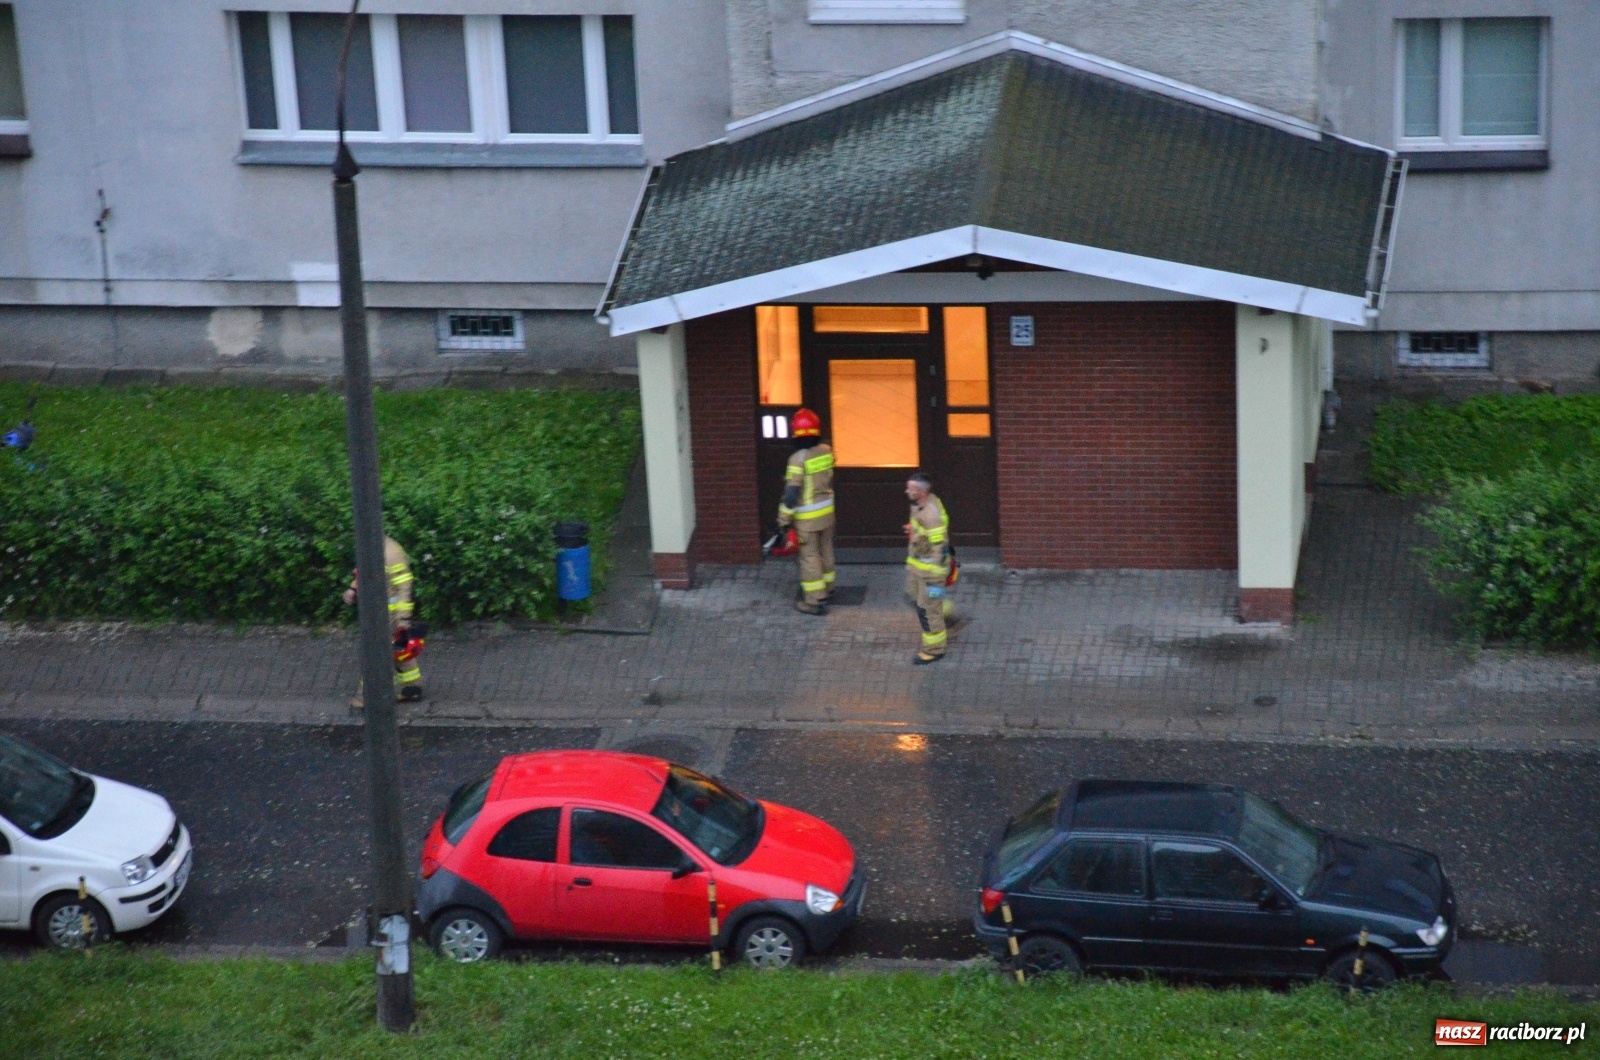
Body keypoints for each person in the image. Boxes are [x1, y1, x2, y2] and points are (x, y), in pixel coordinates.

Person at [342, 535, 423, 705]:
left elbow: (404, 586)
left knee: (375, 652)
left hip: (387, 616)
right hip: (378, 612)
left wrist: (403, 617)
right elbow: (364, 573)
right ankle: (412, 687)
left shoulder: (390, 553)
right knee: (398, 650)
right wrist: (353, 589)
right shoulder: (371, 546)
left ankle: (366, 695)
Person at [777, 407, 836, 616]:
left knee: (809, 557)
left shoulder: (797, 458)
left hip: (807, 519)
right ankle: (828, 588)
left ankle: (814, 600)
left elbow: (792, 494)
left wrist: (783, 520)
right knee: (826, 550)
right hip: (827, 513)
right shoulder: (826, 450)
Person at [904, 473, 953, 664]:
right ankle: (949, 619)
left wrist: (935, 578)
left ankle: (935, 649)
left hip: (931, 574)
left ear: (922, 492)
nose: (907, 491)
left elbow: (938, 546)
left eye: (911, 489)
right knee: (912, 596)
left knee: (928, 610)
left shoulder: (931, 515)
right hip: (918, 569)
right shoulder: (924, 504)